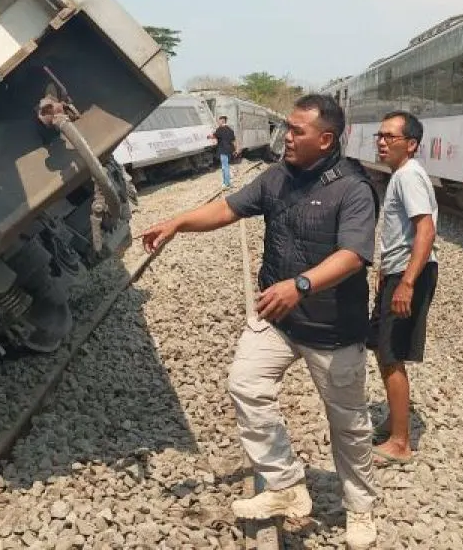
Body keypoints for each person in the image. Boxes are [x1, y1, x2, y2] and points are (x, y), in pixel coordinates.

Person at [140, 94, 380, 550]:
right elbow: (227, 209)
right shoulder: (278, 178)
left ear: (326, 139)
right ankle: (286, 484)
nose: (286, 137)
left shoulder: (353, 188)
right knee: (246, 385)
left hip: (332, 330)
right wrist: (177, 222)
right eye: (286, 128)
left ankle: (361, 508)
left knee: (347, 424)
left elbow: (352, 256)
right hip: (278, 320)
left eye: (297, 131)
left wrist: (301, 286)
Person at [366, 111, 438, 465]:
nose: (381, 142)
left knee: (392, 354)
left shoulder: (409, 176)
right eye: (379, 135)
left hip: (409, 275)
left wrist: (406, 282)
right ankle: (395, 421)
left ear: (410, 144)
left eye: (389, 137)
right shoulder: (400, 176)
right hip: (397, 271)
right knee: (382, 348)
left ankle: (400, 442)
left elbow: (425, 229)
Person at [213, 116, 237, 189]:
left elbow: (214, 136)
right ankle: (227, 182)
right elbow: (233, 141)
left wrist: (208, 136)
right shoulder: (230, 130)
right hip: (229, 151)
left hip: (223, 150)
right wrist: (235, 150)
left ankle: (226, 184)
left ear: (222, 121)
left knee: (224, 167)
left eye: (219, 121)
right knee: (226, 166)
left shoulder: (219, 129)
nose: (218, 122)